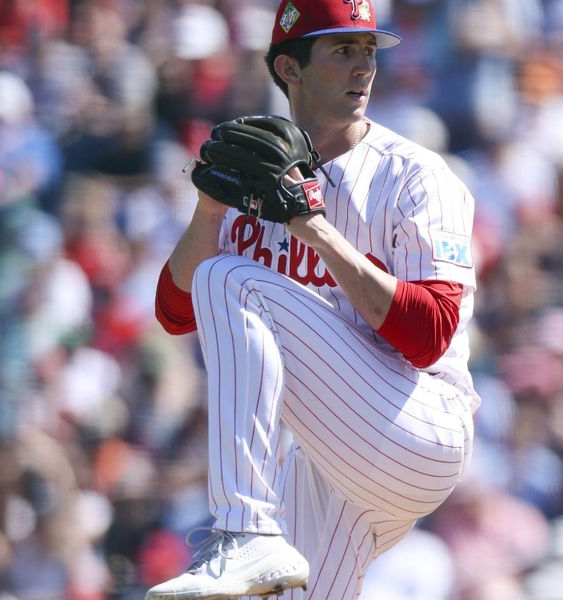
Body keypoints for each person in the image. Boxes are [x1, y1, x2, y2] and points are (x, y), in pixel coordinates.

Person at [146, 0, 480, 598]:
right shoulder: (258, 162)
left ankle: (243, 528)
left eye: (369, 51)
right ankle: (255, 537)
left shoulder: (414, 176)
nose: (363, 68)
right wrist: (208, 210)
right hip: (326, 455)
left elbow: (431, 334)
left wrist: (312, 226)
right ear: (289, 69)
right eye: (343, 50)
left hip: (416, 425)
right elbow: (175, 313)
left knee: (231, 278)